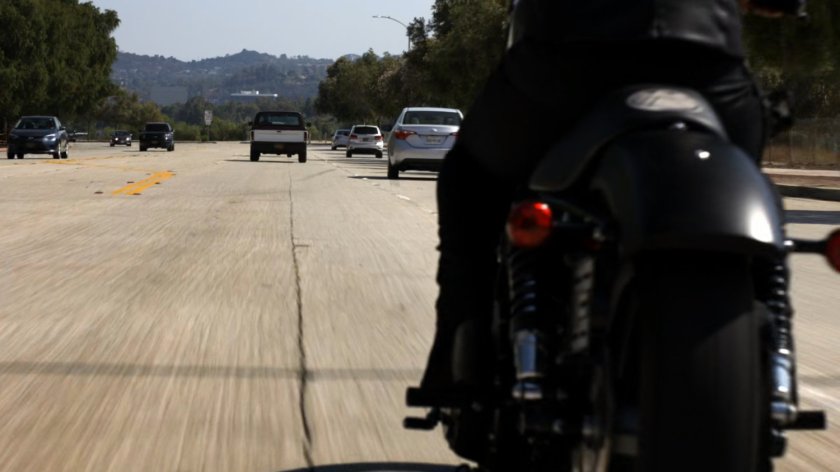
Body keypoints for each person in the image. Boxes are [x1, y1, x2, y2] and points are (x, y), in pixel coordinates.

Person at [418, 0, 800, 394]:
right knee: (751, 181)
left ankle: (462, 350)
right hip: (705, 64)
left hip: (570, 61)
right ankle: (775, 350)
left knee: (470, 173)